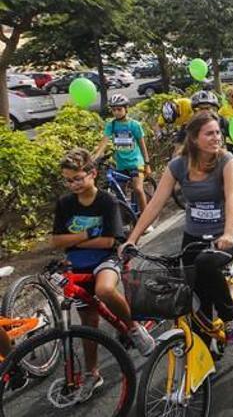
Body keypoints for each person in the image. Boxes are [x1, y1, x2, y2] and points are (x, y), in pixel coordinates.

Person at [122, 113, 233, 342]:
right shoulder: (177, 165)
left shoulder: (226, 161)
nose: (217, 137)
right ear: (194, 138)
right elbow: (155, 204)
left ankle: (230, 315)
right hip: (193, 236)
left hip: (226, 233)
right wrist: (133, 238)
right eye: (210, 133)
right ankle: (204, 360)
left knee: (206, 263)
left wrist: (228, 232)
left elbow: (232, 199)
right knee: (197, 298)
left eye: (218, 132)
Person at [53, 149, 156, 398]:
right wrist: (88, 235)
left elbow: (109, 241)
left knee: (105, 289)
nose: (73, 184)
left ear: (93, 173)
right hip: (77, 265)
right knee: (88, 321)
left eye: (78, 178)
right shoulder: (65, 203)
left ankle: (132, 329)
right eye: (68, 180)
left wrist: (74, 241)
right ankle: (92, 373)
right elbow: (56, 240)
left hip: (106, 259)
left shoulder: (107, 201)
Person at [93, 94, 151, 218]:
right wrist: (95, 157)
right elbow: (104, 142)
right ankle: (127, 217)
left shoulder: (134, 125)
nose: (116, 112)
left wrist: (147, 163)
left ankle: (146, 218)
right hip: (121, 164)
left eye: (119, 109)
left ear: (126, 109)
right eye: (114, 110)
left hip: (136, 163)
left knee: (138, 189)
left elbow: (142, 145)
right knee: (120, 192)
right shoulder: (112, 125)